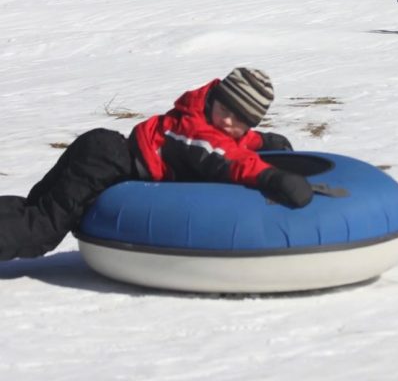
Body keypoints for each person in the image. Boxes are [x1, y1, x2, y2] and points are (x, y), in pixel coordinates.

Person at [0, 67, 313, 261]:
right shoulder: (196, 129)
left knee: (36, 207)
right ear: (214, 98)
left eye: (241, 120)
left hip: (102, 149)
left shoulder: (213, 124)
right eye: (225, 110)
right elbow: (220, 156)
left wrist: (265, 142)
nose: (229, 122)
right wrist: (270, 177)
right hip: (107, 162)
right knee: (42, 228)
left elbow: (232, 142)